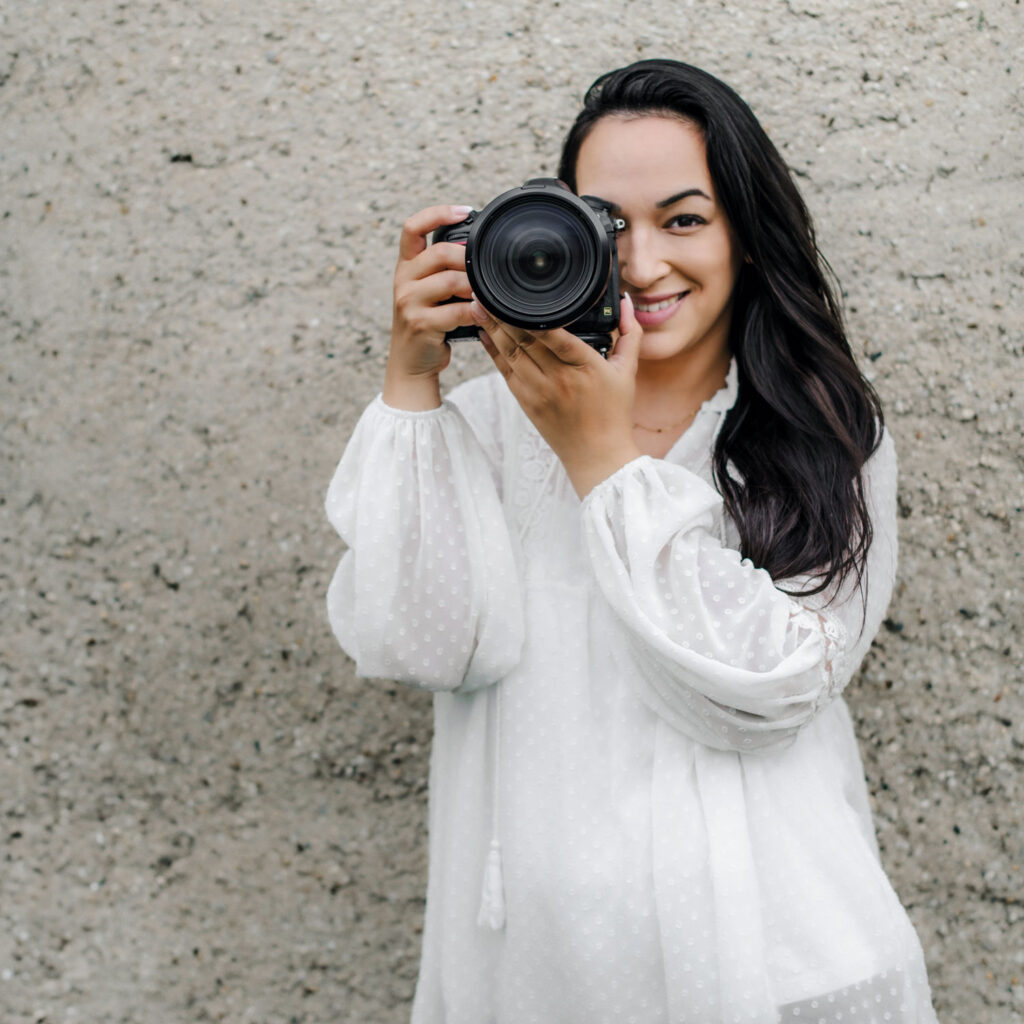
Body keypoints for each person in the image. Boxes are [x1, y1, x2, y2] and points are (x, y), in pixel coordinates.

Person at [325, 59, 939, 1024]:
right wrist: (412, 381)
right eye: (609, 224)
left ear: (746, 236)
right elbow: (418, 643)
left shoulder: (823, 439)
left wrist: (604, 464)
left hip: (780, 974)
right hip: (536, 979)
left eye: (685, 219)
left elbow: (768, 693)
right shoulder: (488, 429)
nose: (644, 265)